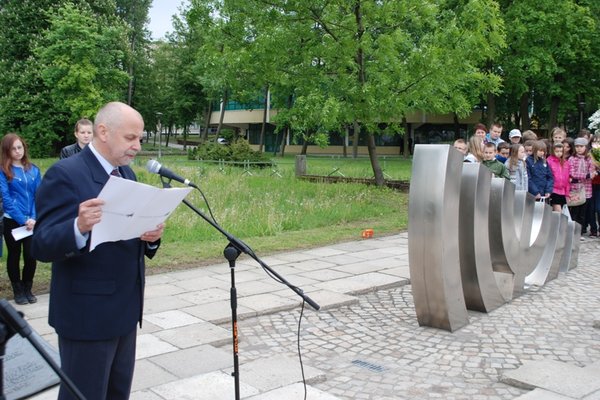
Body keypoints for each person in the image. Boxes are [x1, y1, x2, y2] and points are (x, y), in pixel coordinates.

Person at [31, 102, 165, 400]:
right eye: (131, 138)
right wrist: (78, 226)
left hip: (125, 310)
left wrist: (150, 237)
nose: (137, 146)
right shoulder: (65, 173)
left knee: (118, 394)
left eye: (140, 139)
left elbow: (126, 236)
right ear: (103, 131)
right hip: (86, 316)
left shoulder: (127, 174)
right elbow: (40, 243)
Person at [0, 133, 41, 305]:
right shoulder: (3, 171)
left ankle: (27, 287)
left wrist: (33, 217)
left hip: (31, 223)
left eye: (20, 147)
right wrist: (22, 219)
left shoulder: (34, 170)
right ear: (7, 151)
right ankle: (17, 290)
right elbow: (6, 199)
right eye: (13, 149)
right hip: (13, 221)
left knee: (31, 255)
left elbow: (38, 195)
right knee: (14, 256)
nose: (18, 151)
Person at [568, 137, 596, 234]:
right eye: (577, 146)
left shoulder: (589, 159)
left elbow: (592, 174)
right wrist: (586, 175)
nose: (579, 148)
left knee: (583, 212)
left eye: (581, 146)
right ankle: (573, 230)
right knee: (574, 211)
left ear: (586, 147)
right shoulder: (572, 159)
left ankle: (581, 230)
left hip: (587, 189)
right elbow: (572, 173)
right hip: (575, 189)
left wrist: (588, 176)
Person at [547, 142, 570, 212]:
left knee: (559, 213)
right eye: (557, 151)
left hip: (562, 191)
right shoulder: (549, 161)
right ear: (553, 151)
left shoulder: (565, 162)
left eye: (561, 151)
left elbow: (567, 179)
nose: (559, 153)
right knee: (558, 211)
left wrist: (567, 193)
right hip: (553, 190)